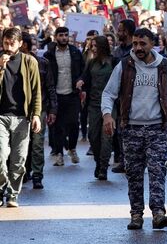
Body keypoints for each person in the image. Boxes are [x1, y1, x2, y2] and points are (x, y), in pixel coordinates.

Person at [102, 27, 167, 230]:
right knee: (134, 175)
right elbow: (109, 93)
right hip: (131, 129)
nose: (138, 48)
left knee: (157, 171)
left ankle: (158, 213)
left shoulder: (164, 66)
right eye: (135, 43)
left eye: (142, 43)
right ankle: (136, 215)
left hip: (157, 130)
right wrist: (107, 114)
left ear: (153, 44)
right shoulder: (125, 65)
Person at [0, 28, 42, 207]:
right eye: (5, 43)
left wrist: (36, 115)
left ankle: (12, 194)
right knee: (1, 157)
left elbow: (36, 91)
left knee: (18, 161)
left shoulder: (29, 61)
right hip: (1, 116)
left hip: (21, 118)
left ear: (19, 44)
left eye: (12, 43)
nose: (8, 47)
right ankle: (2, 188)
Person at [77, 36, 116, 180]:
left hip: (111, 105)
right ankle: (98, 162)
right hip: (94, 104)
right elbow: (85, 76)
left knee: (107, 136)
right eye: (91, 46)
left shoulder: (114, 62)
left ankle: (103, 167)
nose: (93, 49)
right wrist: (80, 81)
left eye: (95, 46)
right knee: (93, 136)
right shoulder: (92, 62)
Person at [21, 33, 57, 189]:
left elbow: (50, 87)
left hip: (39, 108)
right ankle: (24, 171)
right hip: (19, 110)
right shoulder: (11, 63)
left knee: (37, 143)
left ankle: (37, 175)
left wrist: (53, 110)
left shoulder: (42, 63)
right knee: (22, 144)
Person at [44, 27, 84, 167]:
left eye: (66, 35)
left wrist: (80, 80)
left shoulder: (75, 52)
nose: (64, 38)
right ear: (56, 37)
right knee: (58, 127)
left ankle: (72, 148)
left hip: (72, 94)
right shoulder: (49, 55)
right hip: (56, 95)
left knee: (74, 123)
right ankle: (59, 153)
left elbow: (82, 70)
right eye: (61, 35)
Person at [111, 18, 135, 173]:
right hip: (121, 97)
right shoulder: (117, 52)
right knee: (121, 129)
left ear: (127, 32)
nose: (118, 33)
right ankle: (124, 159)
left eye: (120, 30)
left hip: (136, 95)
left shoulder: (137, 49)